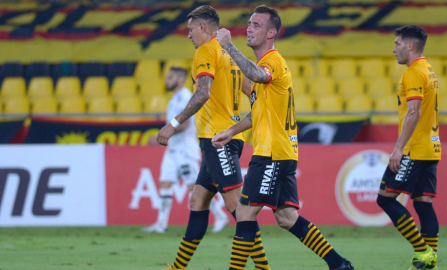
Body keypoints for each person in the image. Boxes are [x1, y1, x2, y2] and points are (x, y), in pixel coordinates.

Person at [213, 5, 354, 270]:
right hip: (282, 153)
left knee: (244, 213)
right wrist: (230, 132)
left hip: (271, 153)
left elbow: (256, 74)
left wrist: (229, 48)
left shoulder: (272, 61)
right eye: (249, 23)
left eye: (256, 25)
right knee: (288, 217)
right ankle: (339, 264)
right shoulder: (265, 67)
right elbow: (257, 115)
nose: (249, 28)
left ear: (271, 32)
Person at [156, 5, 271, 270]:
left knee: (239, 211)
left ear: (203, 27)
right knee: (197, 201)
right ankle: (177, 267)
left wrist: (173, 124)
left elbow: (203, 92)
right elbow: (250, 91)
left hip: (217, 139)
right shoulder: (226, 52)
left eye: (190, 29)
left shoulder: (205, 50)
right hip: (224, 138)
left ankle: (264, 267)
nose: (188, 35)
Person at [376, 25, 440, 270]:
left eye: (397, 43)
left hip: (414, 148)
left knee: (385, 199)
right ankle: (430, 263)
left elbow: (413, 113)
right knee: (423, 203)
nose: (394, 49)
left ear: (409, 46)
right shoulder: (429, 70)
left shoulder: (413, 73)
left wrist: (398, 148)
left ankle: (423, 251)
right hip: (431, 146)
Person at [142, 67, 230, 234]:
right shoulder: (174, 99)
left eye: (170, 77)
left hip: (185, 150)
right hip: (173, 150)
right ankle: (161, 224)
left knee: (194, 187)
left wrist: (165, 132)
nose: (167, 81)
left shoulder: (184, 97)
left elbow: (186, 124)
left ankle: (220, 216)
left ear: (180, 79)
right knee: (165, 184)